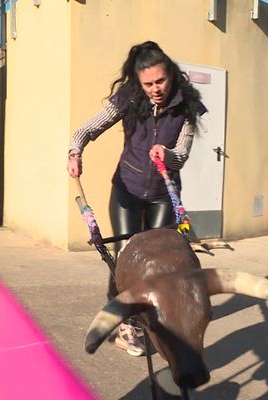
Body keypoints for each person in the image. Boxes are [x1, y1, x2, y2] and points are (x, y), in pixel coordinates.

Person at [67, 41, 206, 357]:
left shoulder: (187, 106)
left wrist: (167, 155)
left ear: (170, 75)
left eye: (160, 81)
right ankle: (125, 323)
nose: (155, 89)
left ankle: (151, 317)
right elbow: (87, 129)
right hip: (127, 190)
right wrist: (75, 151)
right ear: (138, 82)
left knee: (157, 260)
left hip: (162, 194)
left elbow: (182, 154)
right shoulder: (128, 98)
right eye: (148, 84)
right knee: (123, 259)